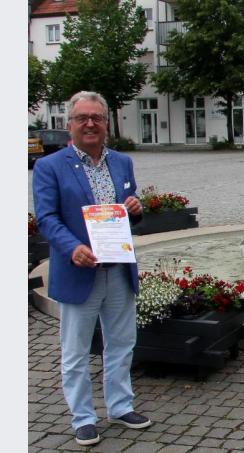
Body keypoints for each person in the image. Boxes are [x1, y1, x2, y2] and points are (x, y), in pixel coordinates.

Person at [32, 91, 152, 446]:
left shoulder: (121, 163)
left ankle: (119, 405)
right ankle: (83, 417)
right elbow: (47, 218)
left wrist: (136, 208)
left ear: (105, 125)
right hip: (79, 269)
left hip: (118, 269)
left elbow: (130, 216)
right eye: (82, 118)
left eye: (97, 118)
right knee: (76, 350)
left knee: (121, 343)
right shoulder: (49, 166)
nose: (90, 124)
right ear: (69, 124)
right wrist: (73, 249)